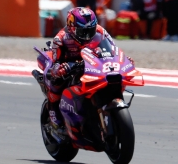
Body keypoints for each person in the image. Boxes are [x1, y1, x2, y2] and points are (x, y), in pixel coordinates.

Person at [46, 7, 132, 138]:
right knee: (55, 81)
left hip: (93, 65)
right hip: (71, 68)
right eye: (83, 32)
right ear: (72, 28)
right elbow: (55, 63)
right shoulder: (60, 38)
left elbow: (113, 49)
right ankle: (56, 122)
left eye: (90, 31)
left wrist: (123, 59)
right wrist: (61, 68)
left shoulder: (101, 31)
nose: (87, 36)